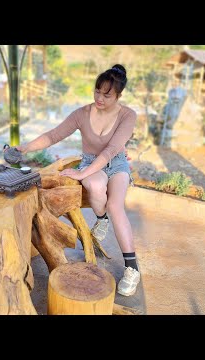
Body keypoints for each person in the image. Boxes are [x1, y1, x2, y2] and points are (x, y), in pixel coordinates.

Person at [16, 64, 140, 296]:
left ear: (118, 96)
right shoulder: (82, 114)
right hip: (93, 164)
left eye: (107, 94)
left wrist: (81, 174)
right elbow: (54, 135)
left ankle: (132, 268)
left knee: (115, 205)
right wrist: (24, 148)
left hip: (117, 163)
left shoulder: (128, 115)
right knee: (94, 186)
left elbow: (113, 149)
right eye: (97, 91)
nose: (99, 98)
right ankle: (101, 218)